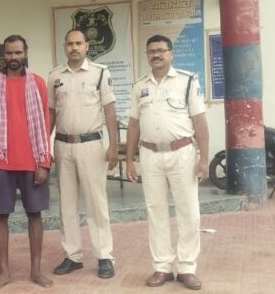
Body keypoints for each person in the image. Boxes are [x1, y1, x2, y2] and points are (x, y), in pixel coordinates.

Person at [125, 35, 209, 290]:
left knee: (188, 211)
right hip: (150, 154)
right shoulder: (139, 86)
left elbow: (200, 122)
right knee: (156, 211)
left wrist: (204, 159)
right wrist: (129, 160)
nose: (156, 54)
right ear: (147, 55)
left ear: (171, 54)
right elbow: (134, 124)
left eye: (161, 50)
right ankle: (162, 266)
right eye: (151, 51)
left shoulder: (187, 81)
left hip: (182, 153)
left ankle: (187, 268)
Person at [0, 35, 53, 291]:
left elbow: (45, 124)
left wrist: (44, 163)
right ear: (4, 54)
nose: (14, 57)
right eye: (9, 53)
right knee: (0, 216)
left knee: (35, 214)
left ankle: (36, 270)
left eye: (18, 52)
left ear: (26, 53)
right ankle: (4, 272)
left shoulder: (38, 83)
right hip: (2, 162)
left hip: (32, 161)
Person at [47, 28, 119, 279]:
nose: (74, 47)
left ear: (87, 46)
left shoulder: (100, 73)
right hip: (63, 145)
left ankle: (104, 256)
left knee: (96, 203)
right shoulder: (55, 75)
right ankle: (72, 256)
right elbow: (51, 113)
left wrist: (114, 145)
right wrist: (45, 145)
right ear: (64, 47)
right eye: (70, 44)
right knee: (66, 204)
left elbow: (110, 110)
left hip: (91, 145)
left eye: (79, 43)